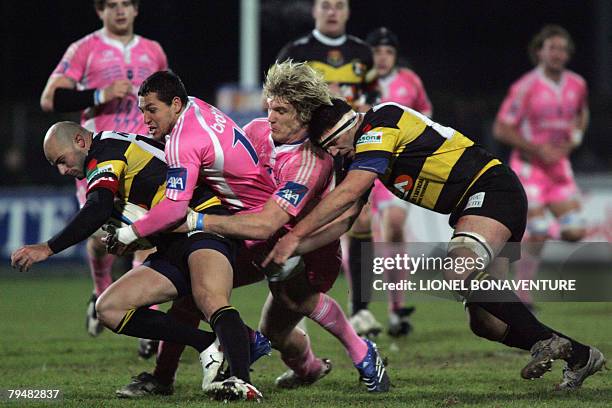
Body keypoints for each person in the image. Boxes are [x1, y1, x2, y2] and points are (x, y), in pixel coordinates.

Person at [265, 98, 605, 390]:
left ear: (348, 125)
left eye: (335, 144)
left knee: (456, 271)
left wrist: (294, 233)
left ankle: (546, 342)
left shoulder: (381, 121)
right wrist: (298, 246)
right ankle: (581, 356)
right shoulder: (360, 152)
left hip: (491, 188)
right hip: (476, 206)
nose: (336, 153)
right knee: (487, 324)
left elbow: (350, 192)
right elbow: (344, 219)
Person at [114, 62, 389, 397]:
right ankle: (164, 377)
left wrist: (194, 220)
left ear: (304, 115)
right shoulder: (259, 130)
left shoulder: (309, 162)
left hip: (305, 247)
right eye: (269, 107)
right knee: (194, 297)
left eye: (281, 110)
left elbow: (266, 223)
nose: (270, 116)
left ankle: (361, 352)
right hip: (255, 240)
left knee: (292, 306)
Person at [10, 121, 268, 401]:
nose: (63, 171)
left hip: (200, 222)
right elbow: (144, 203)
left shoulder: (106, 151)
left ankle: (241, 381)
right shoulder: (108, 150)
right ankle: (208, 343)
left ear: (80, 142)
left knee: (209, 297)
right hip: (172, 241)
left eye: (61, 161)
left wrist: (47, 248)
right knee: (108, 308)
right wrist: (133, 239)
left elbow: (97, 209)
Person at [104, 70, 277, 401]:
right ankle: (170, 376)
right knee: (192, 298)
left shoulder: (184, 139)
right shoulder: (198, 107)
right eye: (141, 110)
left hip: (252, 230)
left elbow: (174, 210)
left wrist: (130, 234)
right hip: (254, 218)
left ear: (175, 103)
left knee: (206, 297)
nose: (145, 119)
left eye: (151, 110)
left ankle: (242, 364)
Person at [39, 0, 168, 345]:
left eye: (126, 4)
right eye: (112, 5)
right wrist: (99, 93)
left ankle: (148, 326)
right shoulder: (85, 49)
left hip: (140, 157)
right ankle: (100, 291)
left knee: (147, 234)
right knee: (99, 239)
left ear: (137, 9)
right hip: (97, 157)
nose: (120, 10)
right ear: (100, 11)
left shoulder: (153, 51)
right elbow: (50, 99)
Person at [277, 0, 380, 337]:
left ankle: (361, 309)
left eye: (338, 5)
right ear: (314, 11)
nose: (332, 11)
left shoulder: (362, 52)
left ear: (348, 11)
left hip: (349, 144)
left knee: (361, 219)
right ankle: (293, 302)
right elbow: (280, 100)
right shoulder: (296, 51)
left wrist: (364, 107)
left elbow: (374, 97)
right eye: (326, 5)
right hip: (310, 149)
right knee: (300, 216)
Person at [493, 25, 589, 308]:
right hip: (529, 168)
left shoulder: (577, 84)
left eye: (562, 49)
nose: (558, 54)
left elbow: (583, 113)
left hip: (559, 169)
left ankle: (505, 255)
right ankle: (523, 295)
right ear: (539, 52)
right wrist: (537, 149)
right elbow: (501, 128)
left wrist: (575, 139)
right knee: (536, 230)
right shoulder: (525, 87)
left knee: (575, 232)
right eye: (552, 48)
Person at [364, 26, 434, 336]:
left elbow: (426, 113)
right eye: (377, 51)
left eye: (387, 51)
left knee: (393, 227)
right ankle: (362, 310)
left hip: (400, 168)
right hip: (364, 166)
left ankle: (396, 309)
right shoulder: (359, 81)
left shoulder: (410, 81)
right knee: (365, 232)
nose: (382, 57)